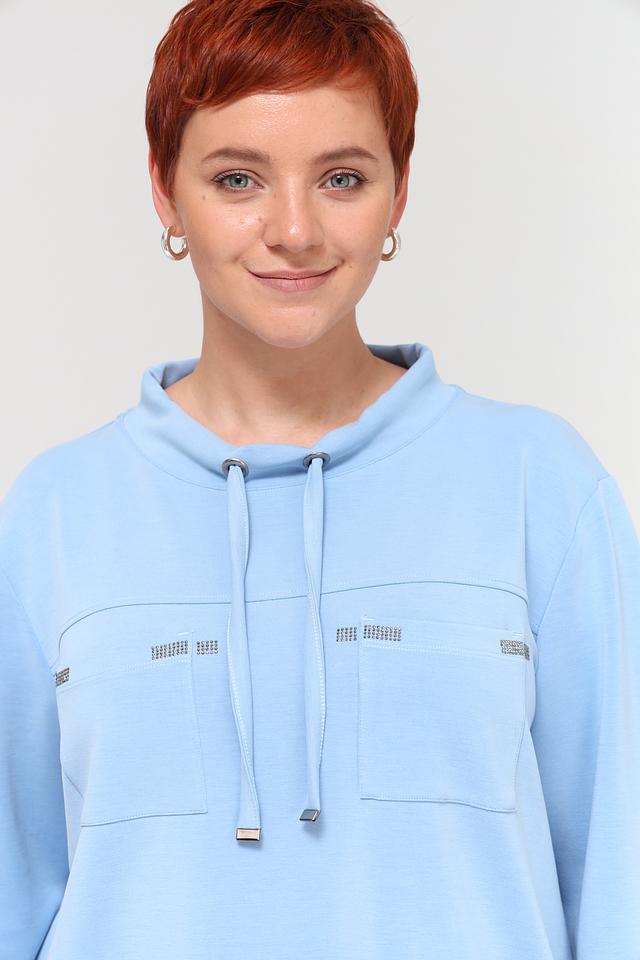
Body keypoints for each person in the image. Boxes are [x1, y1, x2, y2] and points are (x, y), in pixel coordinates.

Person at [1, 0, 639, 957]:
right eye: (237, 178)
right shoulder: (54, 514)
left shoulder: (540, 485)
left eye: (342, 178)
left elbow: (623, 883)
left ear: (399, 193)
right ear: (165, 193)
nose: (294, 230)